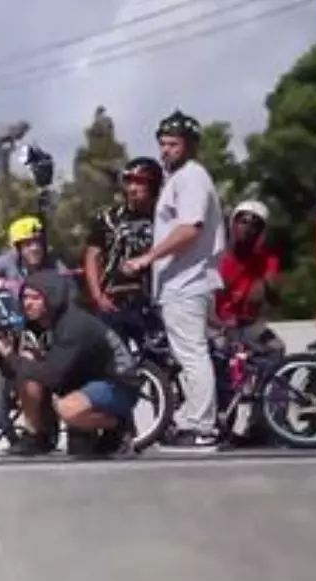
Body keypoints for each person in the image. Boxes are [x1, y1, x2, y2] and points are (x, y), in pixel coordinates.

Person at [123, 110, 226, 449]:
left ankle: (201, 425)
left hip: (187, 281)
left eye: (173, 144)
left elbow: (189, 228)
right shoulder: (180, 179)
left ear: (191, 145)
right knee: (188, 353)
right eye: (162, 144)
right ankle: (195, 419)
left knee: (192, 353)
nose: (165, 150)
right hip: (178, 283)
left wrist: (147, 258)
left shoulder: (191, 178)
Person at [0, 269, 141, 457]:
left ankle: (119, 426)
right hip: (82, 380)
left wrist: (11, 357)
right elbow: (26, 369)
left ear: (51, 297)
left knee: (67, 409)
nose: (28, 303)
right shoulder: (44, 319)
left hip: (118, 383)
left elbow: (53, 376)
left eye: (36, 298)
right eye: (25, 298)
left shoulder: (73, 324)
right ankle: (37, 436)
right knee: (28, 362)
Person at [0, 215, 71, 454]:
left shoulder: (55, 264)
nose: (34, 247)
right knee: (10, 374)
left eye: (38, 242)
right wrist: (6, 285)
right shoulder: (8, 262)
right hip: (14, 328)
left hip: (45, 329)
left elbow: (67, 291)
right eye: (27, 243)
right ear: (17, 247)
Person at [83, 156, 164, 347]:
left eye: (140, 182)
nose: (132, 188)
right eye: (129, 181)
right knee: (116, 362)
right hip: (114, 299)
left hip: (155, 300)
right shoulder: (108, 218)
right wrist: (97, 295)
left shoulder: (166, 219)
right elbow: (92, 256)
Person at [214, 200, 285, 356]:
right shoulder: (217, 257)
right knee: (219, 349)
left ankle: (264, 380)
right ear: (233, 225)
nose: (247, 228)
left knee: (276, 348)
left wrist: (267, 286)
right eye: (243, 222)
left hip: (246, 325)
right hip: (216, 324)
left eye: (255, 225)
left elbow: (275, 300)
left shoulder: (267, 259)